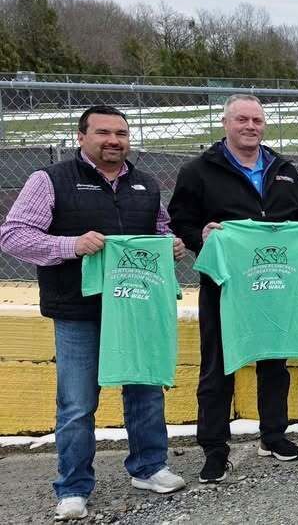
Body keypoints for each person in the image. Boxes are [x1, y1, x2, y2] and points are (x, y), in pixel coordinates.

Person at [0, 106, 187, 520]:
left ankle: (149, 467)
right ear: (81, 136)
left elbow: (160, 228)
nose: (113, 140)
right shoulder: (50, 180)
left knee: (145, 390)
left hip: (136, 306)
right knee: (77, 403)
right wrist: (70, 245)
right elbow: (13, 235)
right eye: (103, 132)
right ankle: (72, 487)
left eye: (121, 133)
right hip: (78, 310)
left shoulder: (145, 183)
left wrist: (171, 243)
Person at [168, 94, 298, 483]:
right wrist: (200, 235)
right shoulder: (198, 170)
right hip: (226, 285)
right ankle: (215, 448)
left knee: (275, 361)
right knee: (218, 365)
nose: (250, 126)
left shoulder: (283, 169)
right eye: (242, 120)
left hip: (275, 284)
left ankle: (274, 435)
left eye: (257, 120)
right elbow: (179, 220)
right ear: (225, 124)